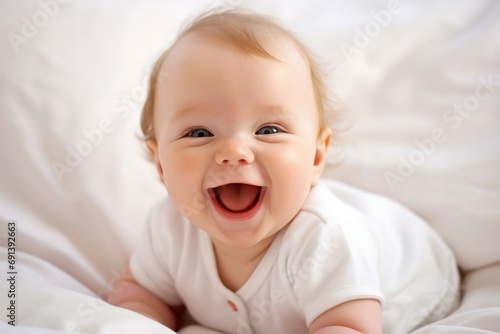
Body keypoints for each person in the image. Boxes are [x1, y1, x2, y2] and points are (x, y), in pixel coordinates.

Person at [108, 8, 459, 334]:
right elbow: (140, 294)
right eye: (199, 133)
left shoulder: (323, 240)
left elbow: (350, 326)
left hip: (416, 286)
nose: (233, 151)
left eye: (269, 130)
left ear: (316, 158)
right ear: (160, 164)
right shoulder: (169, 230)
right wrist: (140, 319)